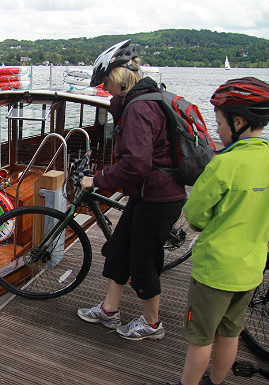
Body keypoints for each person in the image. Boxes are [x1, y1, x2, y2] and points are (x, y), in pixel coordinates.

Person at [77, 40, 186, 340]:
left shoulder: (139, 107)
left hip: (159, 197)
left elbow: (136, 163)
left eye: (106, 82)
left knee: (143, 261)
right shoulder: (144, 99)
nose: (105, 89)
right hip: (146, 193)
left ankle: (152, 324)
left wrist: (97, 180)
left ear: (120, 76)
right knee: (119, 249)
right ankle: (110, 310)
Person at [178, 77, 269, 385]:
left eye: (219, 123)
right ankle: (215, 383)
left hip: (215, 271)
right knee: (230, 332)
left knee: (201, 338)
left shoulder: (223, 165)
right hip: (251, 268)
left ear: (239, 121)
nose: (217, 130)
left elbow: (195, 216)